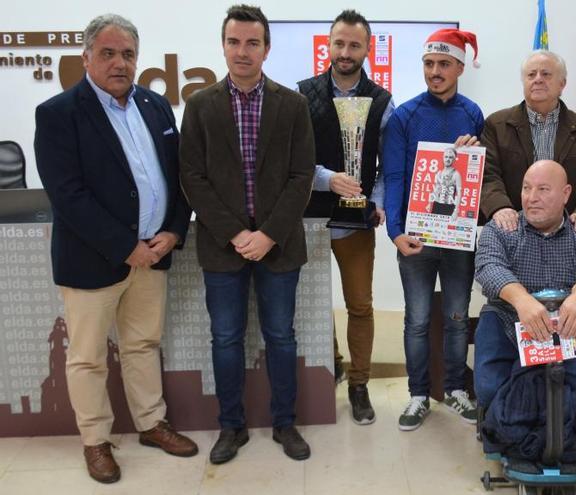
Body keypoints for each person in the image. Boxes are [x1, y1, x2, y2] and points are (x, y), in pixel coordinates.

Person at [33, 14, 197, 483]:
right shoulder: (59, 114)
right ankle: (96, 442)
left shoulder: (155, 105)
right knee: (87, 356)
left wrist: (172, 230)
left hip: (155, 253)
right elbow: (69, 197)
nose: (119, 63)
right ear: (86, 57)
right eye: (107, 53)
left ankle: (150, 423)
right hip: (95, 260)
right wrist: (127, 247)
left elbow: (178, 176)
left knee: (143, 344)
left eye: (127, 54)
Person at [179, 5, 315, 464]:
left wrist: (268, 235)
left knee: (281, 336)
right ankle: (230, 427)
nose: (243, 51)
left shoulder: (293, 105)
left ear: (266, 48)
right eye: (235, 42)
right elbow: (192, 177)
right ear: (224, 46)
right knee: (225, 339)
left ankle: (284, 423)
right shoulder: (199, 106)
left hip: (278, 245)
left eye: (252, 42)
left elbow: (301, 177)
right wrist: (237, 233)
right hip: (223, 246)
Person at [474, 160, 576, 495]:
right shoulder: (501, 228)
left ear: (566, 194)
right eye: (526, 188)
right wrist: (521, 300)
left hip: (568, 333)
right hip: (510, 325)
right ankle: (511, 442)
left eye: (543, 189)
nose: (531, 198)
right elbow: (488, 266)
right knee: (492, 384)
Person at [297, 9, 394, 426]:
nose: (346, 51)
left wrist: (375, 200)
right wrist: (327, 179)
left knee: (360, 305)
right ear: (329, 45)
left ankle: (359, 384)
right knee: (315, 305)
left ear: (367, 49)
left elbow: (388, 164)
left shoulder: (383, 101)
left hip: (356, 224)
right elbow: (295, 160)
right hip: (311, 219)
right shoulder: (301, 95)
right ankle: (332, 363)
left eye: (355, 45)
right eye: (339, 43)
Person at [383, 28, 483, 431]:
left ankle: (456, 390)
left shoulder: (473, 113)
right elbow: (393, 177)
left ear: (459, 67)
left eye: (444, 64)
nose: (435, 71)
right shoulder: (404, 116)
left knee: (458, 316)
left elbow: (480, 177)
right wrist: (394, 231)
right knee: (418, 320)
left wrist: (474, 157)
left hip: (458, 238)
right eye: (429, 63)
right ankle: (418, 394)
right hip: (416, 239)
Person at [480, 50, 576, 234]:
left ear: (562, 83)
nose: (538, 79)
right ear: (524, 81)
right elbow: (487, 174)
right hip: (511, 229)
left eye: (546, 74)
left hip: (569, 231)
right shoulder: (497, 125)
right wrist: (499, 207)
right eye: (531, 74)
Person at [429, 147, 463, 218]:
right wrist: (430, 203)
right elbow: (436, 190)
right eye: (446, 157)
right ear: (443, 158)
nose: (448, 159)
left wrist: (456, 210)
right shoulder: (439, 173)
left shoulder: (456, 174)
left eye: (450, 157)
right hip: (437, 204)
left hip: (449, 206)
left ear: (454, 159)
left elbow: (459, 193)